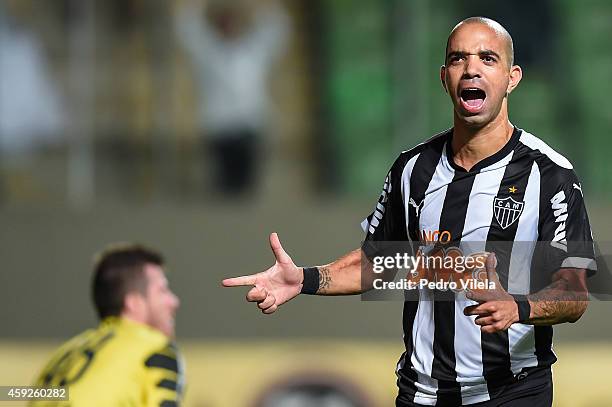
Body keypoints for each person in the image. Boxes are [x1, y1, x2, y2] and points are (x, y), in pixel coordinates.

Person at [222, 17, 597, 407]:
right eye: (458, 58)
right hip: (422, 394)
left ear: (511, 77)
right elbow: (377, 263)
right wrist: (305, 279)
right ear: (444, 76)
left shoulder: (549, 173)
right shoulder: (412, 169)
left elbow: (574, 293)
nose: (471, 68)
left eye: (487, 58)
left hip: (512, 392)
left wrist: (519, 308)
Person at [30, 244, 183, 407]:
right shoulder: (153, 347)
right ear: (134, 303)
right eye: (163, 290)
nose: (174, 301)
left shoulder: (62, 354)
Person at [174, 0, 289, 195]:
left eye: (233, 23)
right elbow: (187, 28)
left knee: (247, 184)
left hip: (250, 124)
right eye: (225, 23)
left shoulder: (253, 49)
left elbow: (277, 29)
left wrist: (266, 6)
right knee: (225, 184)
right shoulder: (208, 50)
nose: (230, 28)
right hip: (220, 126)